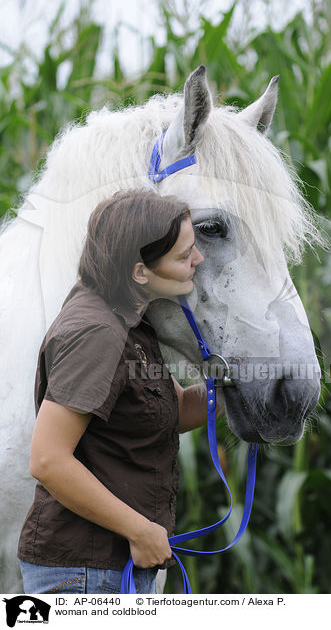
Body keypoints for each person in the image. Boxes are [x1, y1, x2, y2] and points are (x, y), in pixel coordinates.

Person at [17, 188, 223, 595]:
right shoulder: (97, 332)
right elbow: (48, 459)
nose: (198, 260)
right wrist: (141, 530)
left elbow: (172, 410)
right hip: (84, 576)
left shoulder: (130, 319)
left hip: (108, 568)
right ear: (140, 272)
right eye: (184, 256)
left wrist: (235, 388)